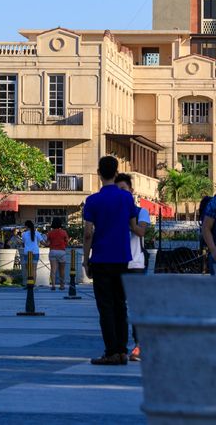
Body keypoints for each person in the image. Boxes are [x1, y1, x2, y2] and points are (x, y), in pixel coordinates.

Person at [82, 155, 146, 366]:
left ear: (99, 174)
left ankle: (111, 351)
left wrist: (85, 260)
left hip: (101, 258)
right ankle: (122, 350)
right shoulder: (126, 198)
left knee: (105, 306)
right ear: (116, 173)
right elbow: (133, 226)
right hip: (122, 258)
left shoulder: (92, 201)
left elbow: (88, 233)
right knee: (120, 305)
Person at [117, 173, 150, 362]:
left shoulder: (140, 212)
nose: (121, 193)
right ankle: (119, 346)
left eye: (124, 189)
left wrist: (128, 220)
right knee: (118, 307)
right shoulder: (112, 213)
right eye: (118, 190)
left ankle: (139, 345)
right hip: (116, 263)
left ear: (131, 191)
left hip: (135, 264)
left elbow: (141, 231)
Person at [46, 217, 69, 291]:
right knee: (62, 270)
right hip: (62, 252)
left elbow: (48, 243)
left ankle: (53, 285)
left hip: (53, 251)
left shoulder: (50, 233)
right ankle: (62, 285)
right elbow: (67, 242)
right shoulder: (64, 232)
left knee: (53, 269)